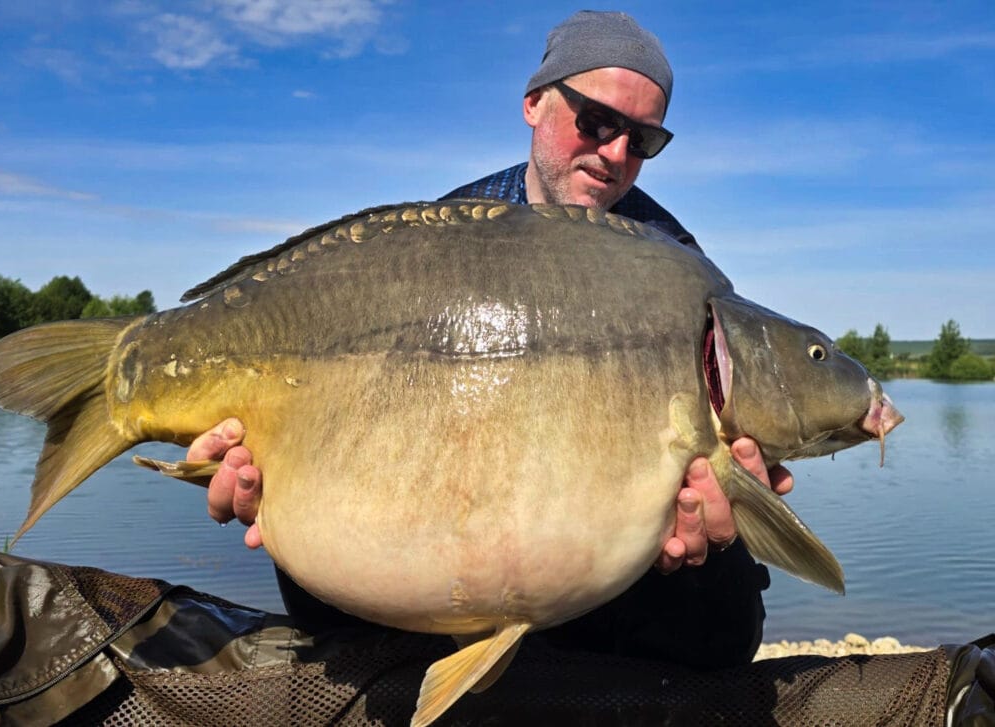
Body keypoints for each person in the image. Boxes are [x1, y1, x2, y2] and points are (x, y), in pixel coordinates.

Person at [188, 10, 793, 668]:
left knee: (726, 620)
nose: (616, 154)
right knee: (321, 589)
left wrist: (716, 520)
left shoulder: (676, 264)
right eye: (596, 121)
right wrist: (267, 467)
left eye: (643, 140)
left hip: (600, 561)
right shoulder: (442, 236)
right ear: (534, 103)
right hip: (440, 526)